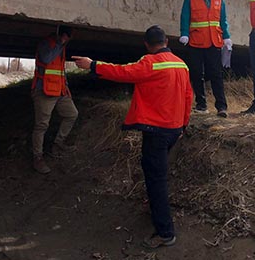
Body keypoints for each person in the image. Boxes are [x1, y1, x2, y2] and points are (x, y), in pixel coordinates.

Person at [73, 26, 192, 249]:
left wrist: (93, 65)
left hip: (156, 131)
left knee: (156, 179)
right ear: (166, 41)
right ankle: (155, 207)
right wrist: (183, 124)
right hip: (174, 129)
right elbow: (188, 96)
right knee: (154, 171)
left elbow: (122, 72)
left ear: (147, 45)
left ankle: (165, 233)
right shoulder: (181, 64)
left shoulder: (150, 63)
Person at [179, 0, 231, 118]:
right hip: (195, 40)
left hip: (214, 41)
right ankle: (201, 105)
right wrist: (184, 33)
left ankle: (221, 106)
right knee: (196, 73)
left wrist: (227, 37)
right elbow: (185, 16)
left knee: (216, 74)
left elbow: (223, 20)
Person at [31, 25, 79, 174]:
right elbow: (46, 58)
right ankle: (37, 158)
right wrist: (60, 42)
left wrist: (66, 87)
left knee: (72, 114)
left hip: (59, 91)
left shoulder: (61, 47)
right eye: (68, 37)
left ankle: (58, 144)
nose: (68, 41)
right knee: (42, 125)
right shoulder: (47, 44)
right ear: (63, 35)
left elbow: (59, 71)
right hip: (43, 91)